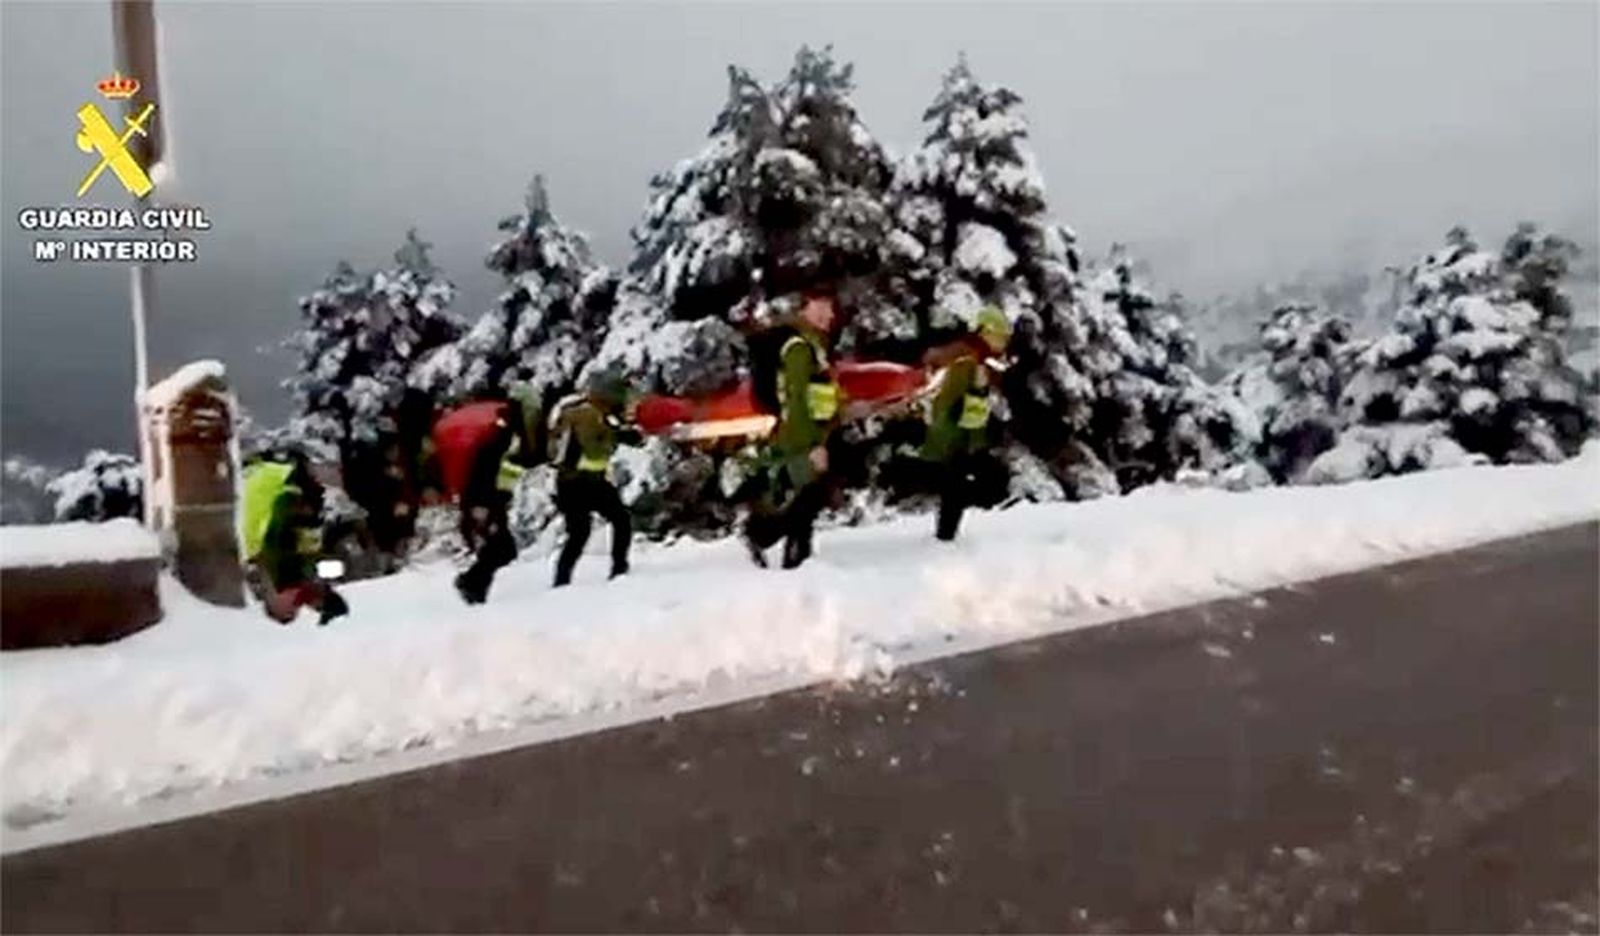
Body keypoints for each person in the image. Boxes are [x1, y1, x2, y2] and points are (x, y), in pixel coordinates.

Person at [742, 291, 842, 570]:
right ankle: (766, 539)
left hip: (812, 432)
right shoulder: (798, 347)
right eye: (822, 307)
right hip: (800, 435)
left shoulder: (813, 345)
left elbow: (819, 393)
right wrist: (811, 446)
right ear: (805, 310)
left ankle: (796, 557)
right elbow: (796, 398)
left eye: (831, 309)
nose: (829, 315)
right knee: (807, 498)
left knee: (809, 497)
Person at [430, 386, 539, 605]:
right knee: (503, 547)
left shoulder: (508, 433)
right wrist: (480, 503)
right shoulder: (501, 435)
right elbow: (486, 467)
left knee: (501, 547)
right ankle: (471, 583)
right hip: (485, 498)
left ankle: (474, 585)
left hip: (492, 498)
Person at [919, 305, 1012, 541]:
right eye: (1000, 336)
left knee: (958, 490)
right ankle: (945, 540)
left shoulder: (978, 360)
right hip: (954, 439)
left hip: (963, 439)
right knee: (959, 489)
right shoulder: (966, 360)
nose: (1003, 342)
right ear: (984, 333)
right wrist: (955, 436)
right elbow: (949, 402)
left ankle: (946, 538)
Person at [547, 370, 637, 587]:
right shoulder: (588, 414)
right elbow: (595, 450)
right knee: (612, 522)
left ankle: (562, 581)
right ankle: (618, 569)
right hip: (579, 481)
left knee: (581, 533)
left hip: (577, 481)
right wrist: (619, 437)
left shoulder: (582, 411)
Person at [240, 452, 349, 625]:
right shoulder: (290, 571)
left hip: (267, 488)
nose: (302, 606)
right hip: (267, 486)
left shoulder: (275, 566)